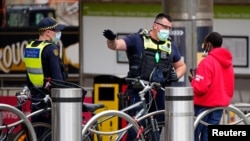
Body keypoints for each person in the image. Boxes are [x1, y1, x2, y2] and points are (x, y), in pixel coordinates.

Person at [103, 13, 186, 141]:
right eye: (165, 27)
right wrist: (111, 39)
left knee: (156, 130)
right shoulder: (137, 39)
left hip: (159, 93)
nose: (168, 31)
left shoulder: (170, 45)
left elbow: (181, 66)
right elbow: (116, 45)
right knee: (135, 130)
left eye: (170, 28)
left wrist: (176, 75)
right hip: (138, 92)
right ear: (155, 25)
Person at [190, 32, 235, 141]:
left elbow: (200, 87)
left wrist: (194, 81)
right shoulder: (228, 64)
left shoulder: (207, 62)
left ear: (209, 45)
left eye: (205, 44)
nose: (204, 46)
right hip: (219, 107)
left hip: (202, 107)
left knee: (193, 134)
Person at [23, 17, 67, 125]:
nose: (58, 34)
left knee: (38, 133)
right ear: (48, 32)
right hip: (49, 100)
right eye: (56, 31)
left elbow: (28, 75)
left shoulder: (30, 47)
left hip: (35, 100)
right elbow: (58, 80)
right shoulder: (51, 49)